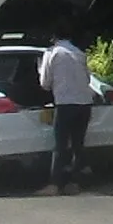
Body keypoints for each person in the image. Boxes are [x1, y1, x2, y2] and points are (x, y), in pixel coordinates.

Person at [39, 20, 92, 195]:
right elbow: (88, 79)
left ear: (53, 37)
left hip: (65, 104)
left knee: (61, 145)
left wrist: (40, 69)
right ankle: (76, 182)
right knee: (78, 143)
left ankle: (55, 184)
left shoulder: (52, 53)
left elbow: (45, 83)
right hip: (84, 103)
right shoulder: (79, 53)